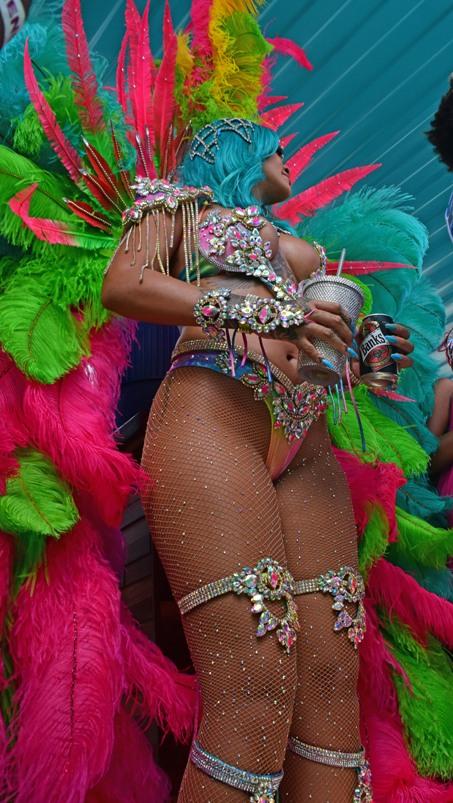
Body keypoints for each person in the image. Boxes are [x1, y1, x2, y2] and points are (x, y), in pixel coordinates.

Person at [102, 119, 413, 803]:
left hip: (307, 435)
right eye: (275, 149)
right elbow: (123, 284)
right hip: (214, 411)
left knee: (331, 675)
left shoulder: (302, 248)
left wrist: (366, 348)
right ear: (236, 152)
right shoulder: (178, 206)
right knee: (255, 675)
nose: (286, 158)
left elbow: (316, 347)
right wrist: (265, 317)